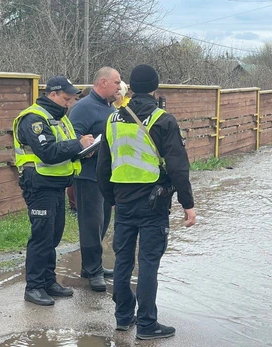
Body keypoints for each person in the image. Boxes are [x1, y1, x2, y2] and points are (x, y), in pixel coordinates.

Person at [96, 64, 196, 340]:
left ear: (130, 87)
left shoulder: (112, 119)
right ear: (155, 87)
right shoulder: (163, 119)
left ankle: (123, 317)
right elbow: (178, 167)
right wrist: (188, 204)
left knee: (123, 261)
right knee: (148, 262)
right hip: (154, 203)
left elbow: (103, 167)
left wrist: (111, 198)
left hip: (123, 201)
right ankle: (148, 324)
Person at [12, 76, 95, 306]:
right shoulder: (34, 118)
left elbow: (64, 148)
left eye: (71, 99)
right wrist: (78, 144)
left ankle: (48, 281)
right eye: (66, 99)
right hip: (39, 185)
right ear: (53, 94)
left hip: (55, 184)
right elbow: (47, 151)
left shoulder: (58, 118)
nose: (69, 104)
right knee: (41, 237)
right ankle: (34, 287)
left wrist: (82, 149)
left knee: (53, 235)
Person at [69, 67, 122, 292]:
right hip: (88, 175)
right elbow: (71, 136)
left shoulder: (109, 107)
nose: (120, 87)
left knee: (102, 223)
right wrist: (84, 142)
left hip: (106, 176)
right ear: (103, 82)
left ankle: (92, 265)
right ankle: (93, 271)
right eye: (117, 82)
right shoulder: (83, 107)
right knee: (91, 225)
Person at [66, 87, 92, 213]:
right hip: (78, 147)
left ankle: (73, 205)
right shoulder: (80, 108)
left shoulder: (73, 106)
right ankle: (74, 206)